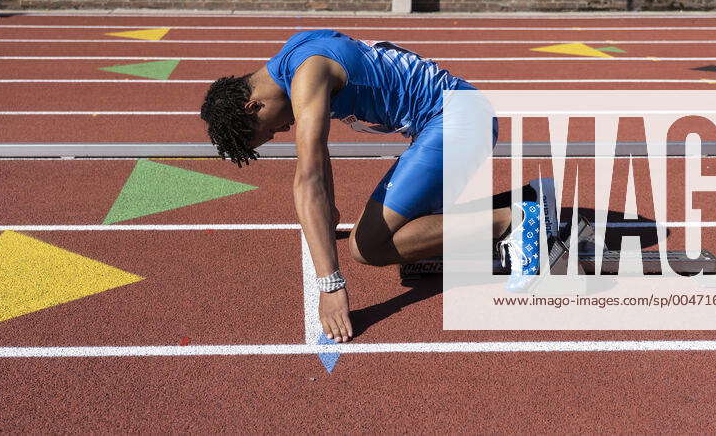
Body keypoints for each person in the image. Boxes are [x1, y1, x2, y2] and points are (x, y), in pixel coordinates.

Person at [200, 30, 511, 343]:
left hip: (459, 121)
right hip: (451, 115)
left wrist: (330, 284)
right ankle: (511, 205)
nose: (283, 128)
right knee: (402, 240)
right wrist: (327, 213)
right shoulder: (293, 53)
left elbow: (310, 177)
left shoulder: (309, 74)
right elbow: (320, 164)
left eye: (272, 130)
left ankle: (512, 221)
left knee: (369, 246)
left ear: (253, 106)